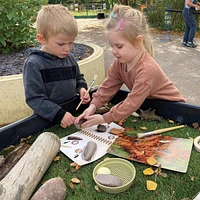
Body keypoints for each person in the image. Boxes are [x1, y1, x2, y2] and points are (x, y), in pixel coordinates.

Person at [75, 4, 186, 128]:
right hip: (148, 105)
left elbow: (132, 102)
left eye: (119, 46)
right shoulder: (120, 62)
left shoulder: (147, 69)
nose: (114, 51)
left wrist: (104, 118)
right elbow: (108, 86)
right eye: (112, 46)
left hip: (174, 110)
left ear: (138, 42)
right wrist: (92, 106)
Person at [23, 4, 90, 128]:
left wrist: (82, 89)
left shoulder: (69, 58)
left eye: (71, 43)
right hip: (46, 120)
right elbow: (34, 98)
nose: (67, 48)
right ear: (42, 39)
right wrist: (59, 114)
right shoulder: (34, 63)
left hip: (72, 112)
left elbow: (78, 77)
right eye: (61, 44)